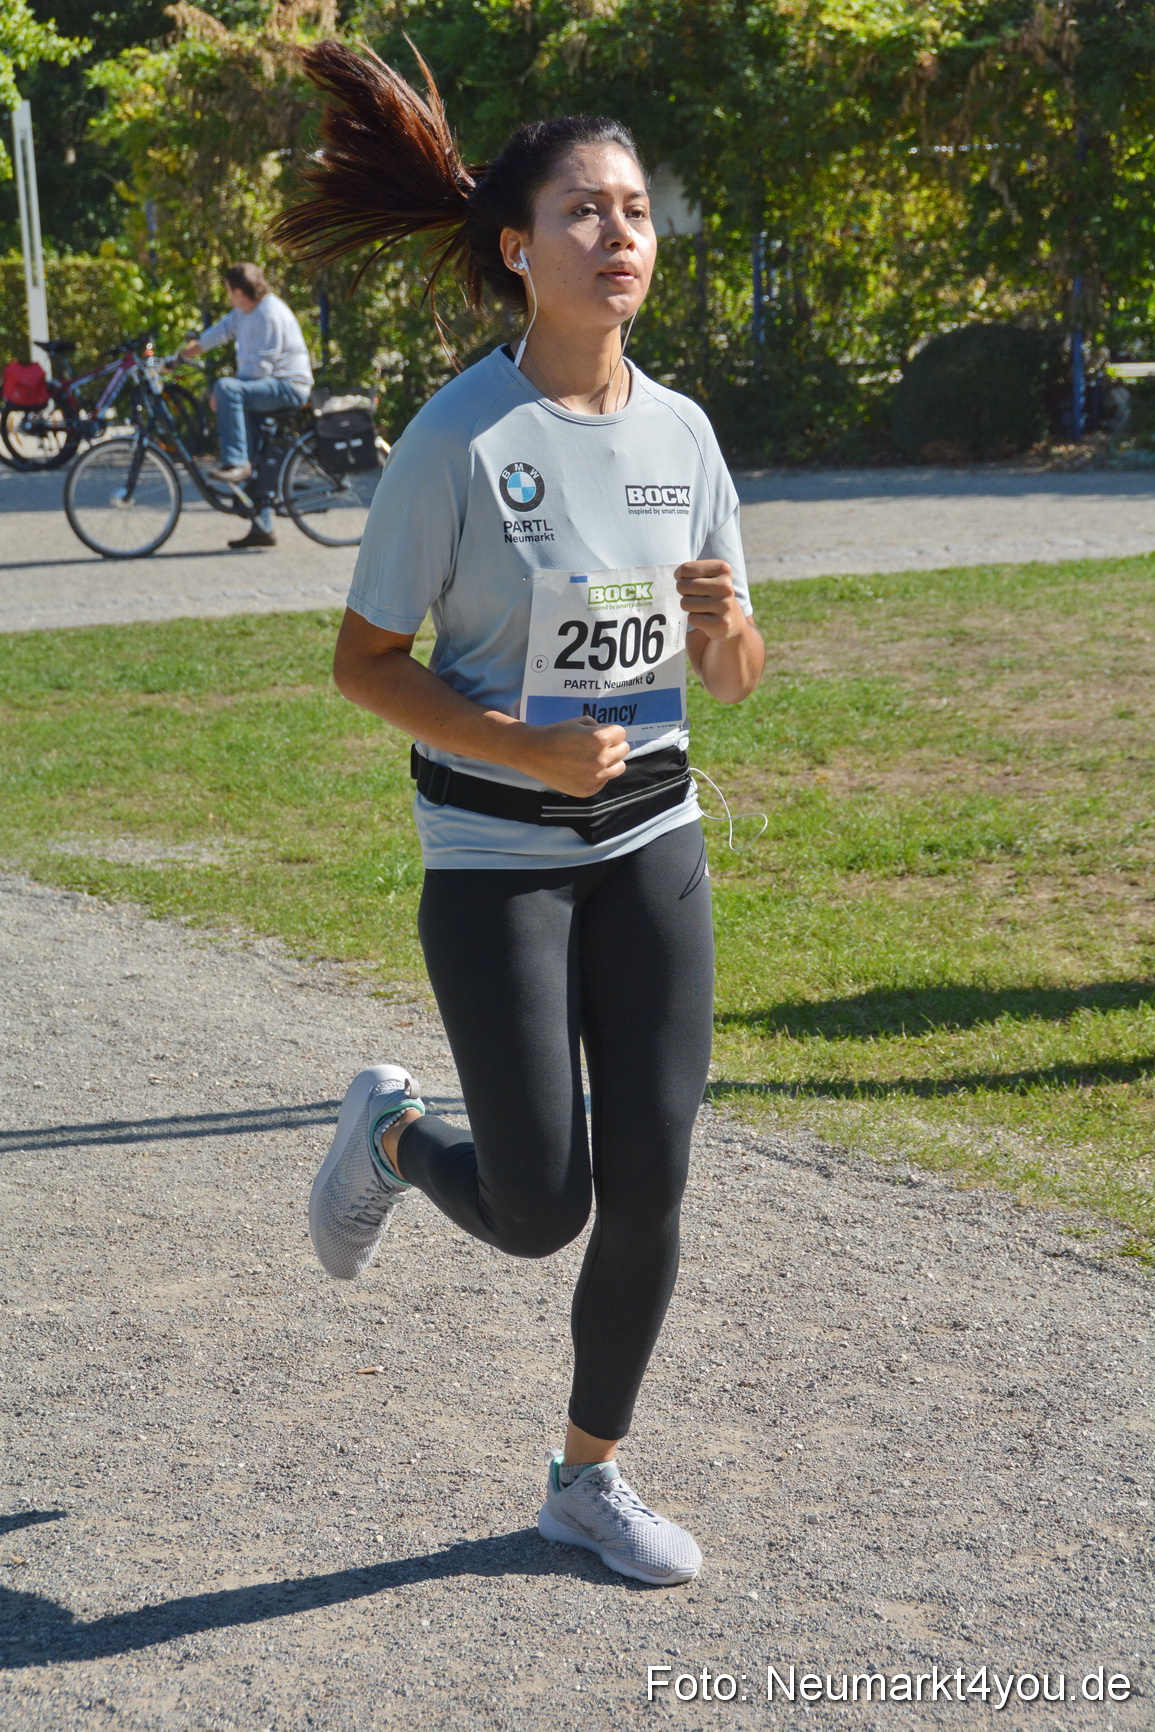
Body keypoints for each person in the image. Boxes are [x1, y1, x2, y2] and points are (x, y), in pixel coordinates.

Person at [277, 42, 765, 1587]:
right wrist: (515, 747)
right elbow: (363, 667)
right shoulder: (456, 442)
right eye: (583, 213)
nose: (619, 236)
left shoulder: (681, 432)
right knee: (544, 1202)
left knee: (656, 1176)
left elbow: (737, 674)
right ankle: (397, 1133)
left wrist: (717, 632)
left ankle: (583, 1480)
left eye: (632, 211)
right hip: (495, 862)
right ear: (517, 248)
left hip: (651, 844)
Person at [182, 263, 313, 550]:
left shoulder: (269, 314)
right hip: (267, 385)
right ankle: (262, 525)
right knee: (258, 450)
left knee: (227, 388)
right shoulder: (246, 311)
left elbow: (258, 370)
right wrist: (180, 357)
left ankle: (237, 463)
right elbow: (218, 332)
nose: (228, 296)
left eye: (229, 291)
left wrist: (225, 391)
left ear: (239, 291)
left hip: (288, 387)